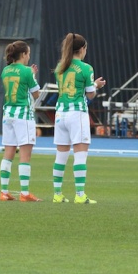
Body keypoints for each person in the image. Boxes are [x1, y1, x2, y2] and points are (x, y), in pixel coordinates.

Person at [51, 33, 106, 204]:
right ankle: (80, 194)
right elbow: (90, 94)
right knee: (80, 154)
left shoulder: (60, 66)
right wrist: (96, 85)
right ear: (82, 49)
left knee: (61, 155)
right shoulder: (86, 68)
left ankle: (57, 194)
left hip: (60, 114)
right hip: (77, 114)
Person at [0, 40, 42, 202]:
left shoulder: (5, 71)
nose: (29, 56)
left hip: (8, 113)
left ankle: (4, 191)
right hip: (23, 115)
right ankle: (24, 193)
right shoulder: (26, 71)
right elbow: (36, 94)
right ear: (23, 54)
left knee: (8, 152)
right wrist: (32, 75)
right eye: (28, 54)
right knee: (25, 154)